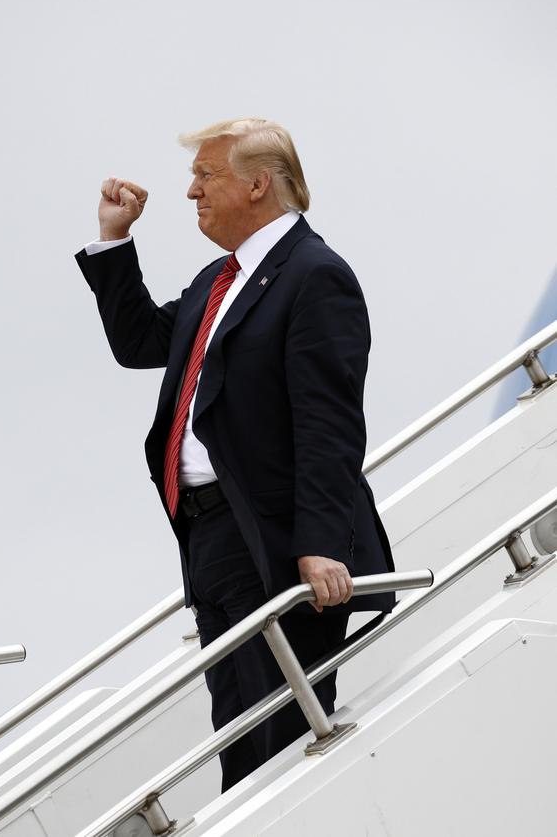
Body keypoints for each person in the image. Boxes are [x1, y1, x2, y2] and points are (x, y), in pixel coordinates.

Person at [75, 117, 396, 792]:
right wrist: (115, 237)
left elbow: (328, 423)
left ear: (258, 184)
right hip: (210, 539)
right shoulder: (216, 281)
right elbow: (139, 342)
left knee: (275, 750)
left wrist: (320, 542)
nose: (190, 190)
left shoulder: (314, 276)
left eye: (206, 175)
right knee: (241, 744)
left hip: (274, 543)